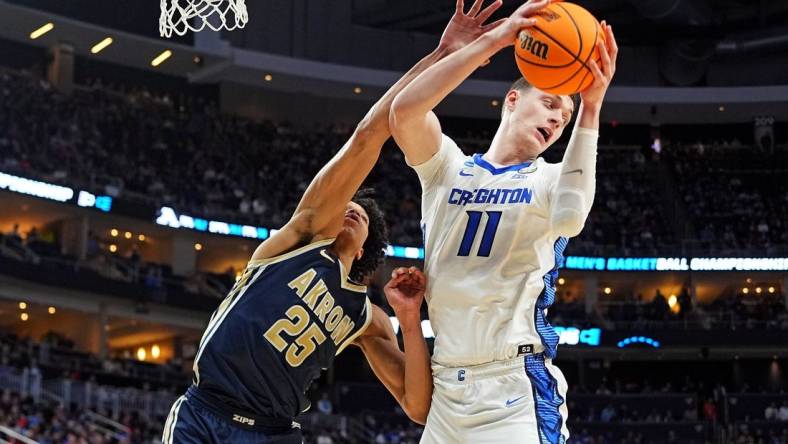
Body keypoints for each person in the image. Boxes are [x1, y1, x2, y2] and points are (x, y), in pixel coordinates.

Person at [161, 2, 505, 442]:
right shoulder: (297, 241)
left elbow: (418, 407)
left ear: (364, 247)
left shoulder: (363, 316)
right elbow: (369, 134)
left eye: (358, 215)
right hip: (206, 410)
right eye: (345, 205)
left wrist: (410, 316)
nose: (347, 209)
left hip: (273, 432)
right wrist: (444, 54)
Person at [389, 0, 618, 441]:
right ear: (512, 99)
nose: (557, 119)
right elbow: (404, 114)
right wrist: (496, 39)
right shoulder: (446, 168)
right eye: (551, 103)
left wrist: (591, 107)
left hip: (513, 386)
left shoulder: (552, 179)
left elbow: (570, 218)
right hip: (447, 384)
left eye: (564, 118)